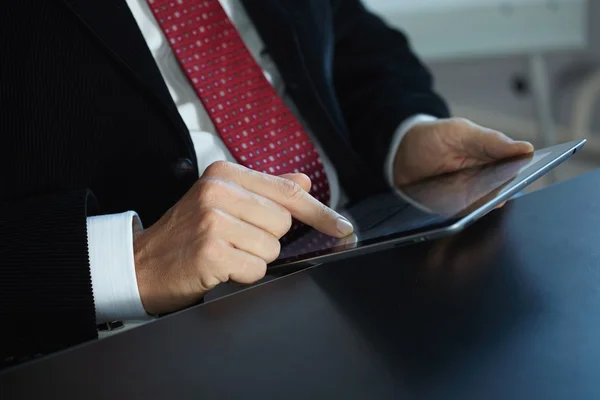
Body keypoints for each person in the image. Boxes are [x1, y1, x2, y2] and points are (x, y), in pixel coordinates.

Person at [0, 0, 533, 367]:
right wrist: (132, 263)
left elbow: (350, 37)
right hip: (141, 351)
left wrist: (401, 137)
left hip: (376, 274)